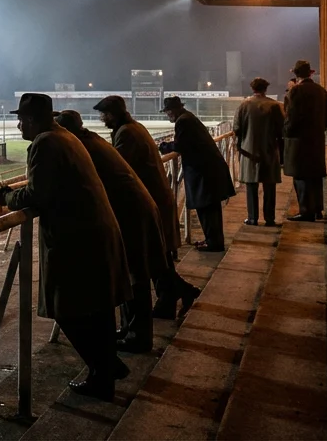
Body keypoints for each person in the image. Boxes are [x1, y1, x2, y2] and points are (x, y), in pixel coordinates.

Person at [0, 94, 131, 399]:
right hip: (96, 231)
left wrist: (6, 197)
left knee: (65, 307)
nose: (17, 126)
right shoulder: (64, 136)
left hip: (78, 238)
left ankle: (102, 368)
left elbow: (37, 196)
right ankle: (106, 369)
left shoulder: (46, 142)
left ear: (31, 120)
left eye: (21, 120)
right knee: (99, 309)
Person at [56, 111, 169, 354]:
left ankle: (139, 337)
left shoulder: (82, 146)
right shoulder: (91, 140)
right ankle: (130, 329)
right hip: (132, 209)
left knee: (136, 276)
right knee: (130, 274)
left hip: (131, 212)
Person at [95, 95, 201, 319]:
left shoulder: (127, 133)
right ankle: (169, 301)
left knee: (152, 259)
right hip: (155, 198)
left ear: (111, 114)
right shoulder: (132, 128)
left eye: (103, 115)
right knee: (157, 258)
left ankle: (182, 293)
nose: (102, 119)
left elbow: (117, 168)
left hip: (149, 201)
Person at [160, 96, 235, 252]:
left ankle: (213, 243)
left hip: (204, 172)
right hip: (209, 170)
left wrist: (164, 147)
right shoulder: (188, 118)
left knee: (206, 208)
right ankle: (213, 240)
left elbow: (181, 145)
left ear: (172, 110)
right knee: (210, 209)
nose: (167, 116)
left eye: (167, 112)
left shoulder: (183, 121)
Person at [284, 60, 327, 221]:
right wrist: (319, 129)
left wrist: (286, 134)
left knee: (301, 176)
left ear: (295, 75)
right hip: (316, 139)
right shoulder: (321, 91)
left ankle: (306, 211)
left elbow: (291, 118)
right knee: (316, 175)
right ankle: (318, 209)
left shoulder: (295, 92)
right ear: (310, 73)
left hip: (299, 141)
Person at [234, 78, 284, 226]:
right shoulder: (274, 105)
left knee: (251, 186)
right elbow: (281, 129)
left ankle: (252, 218)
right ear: (266, 89)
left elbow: (237, 128)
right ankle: (269, 218)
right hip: (269, 149)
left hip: (249, 150)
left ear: (252, 88)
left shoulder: (244, 105)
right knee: (269, 186)